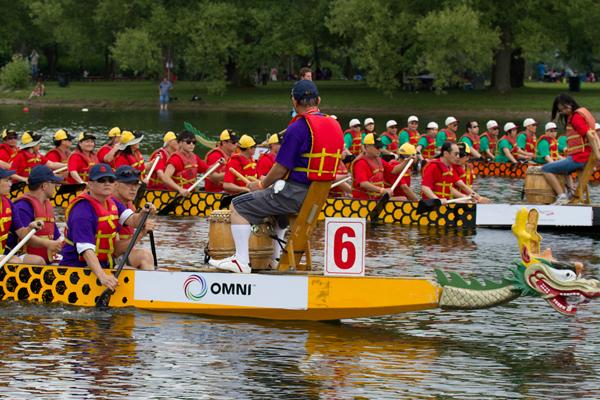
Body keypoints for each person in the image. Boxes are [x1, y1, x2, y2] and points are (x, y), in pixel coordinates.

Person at [209, 80, 344, 273]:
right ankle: (275, 259)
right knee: (276, 211)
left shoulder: (298, 128)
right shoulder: (335, 125)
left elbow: (280, 168)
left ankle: (240, 261)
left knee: (238, 205)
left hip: (293, 195)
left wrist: (262, 184)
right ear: (319, 100)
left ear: (294, 102)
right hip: (316, 198)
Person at [61, 164, 155, 290]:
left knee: (141, 274)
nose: (107, 183)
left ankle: (151, 292)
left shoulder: (112, 203)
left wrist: (144, 213)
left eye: (110, 180)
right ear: (90, 184)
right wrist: (102, 276)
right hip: (76, 269)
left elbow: (133, 220)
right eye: (101, 180)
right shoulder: (82, 211)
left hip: (103, 265)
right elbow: (86, 251)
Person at [542, 94, 600, 204]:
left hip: (579, 159)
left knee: (545, 169)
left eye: (565, 108)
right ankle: (570, 194)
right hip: (584, 158)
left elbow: (591, 136)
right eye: (561, 110)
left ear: (570, 103)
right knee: (564, 169)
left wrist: (598, 156)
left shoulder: (576, 118)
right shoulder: (582, 113)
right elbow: (595, 136)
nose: (564, 111)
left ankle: (561, 196)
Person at [10, 165, 63, 265]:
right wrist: (48, 244)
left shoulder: (47, 206)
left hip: (46, 259)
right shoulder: (22, 207)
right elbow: (25, 238)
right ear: (44, 186)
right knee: (38, 261)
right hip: (23, 259)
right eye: (53, 183)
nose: (56, 186)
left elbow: (56, 237)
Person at [112, 166, 154, 270]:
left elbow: (134, 220)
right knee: (144, 256)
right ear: (116, 185)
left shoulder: (128, 204)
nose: (134, 189)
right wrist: (141, 233)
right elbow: (116, 251)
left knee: (162, 271)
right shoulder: (111, 204)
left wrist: (144, 214)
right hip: (104, 258)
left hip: (118, 255)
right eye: (128, 184)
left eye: (136, 184)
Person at [0, 167, 41, 264]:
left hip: (2, 254)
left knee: (38, 261)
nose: (10, 184)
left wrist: (30, 228)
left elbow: (21, 233)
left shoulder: (9, 204)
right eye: (6, 181)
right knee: (16, 262)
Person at [351, 133, 406, 200]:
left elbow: (394, 170)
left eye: (380, 147)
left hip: (376, 199)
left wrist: (406, 161)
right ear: (367, 146)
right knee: (403, 199)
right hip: (363, 202)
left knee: (403, 199)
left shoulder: (378, 159)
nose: (380, 150)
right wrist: (382, 190)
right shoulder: (361, 162)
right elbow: (363, 183)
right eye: (377, 147)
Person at [161, 131, 207, 195]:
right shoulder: (175, 159)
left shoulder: (195, 157)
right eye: (188, 142)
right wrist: (180, 189)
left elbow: (207, 169)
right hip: (175, 195)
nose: (191, 144)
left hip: (191, 195)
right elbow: (165, 178)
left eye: (194, 143)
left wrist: (218, 164)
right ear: (180, 143)